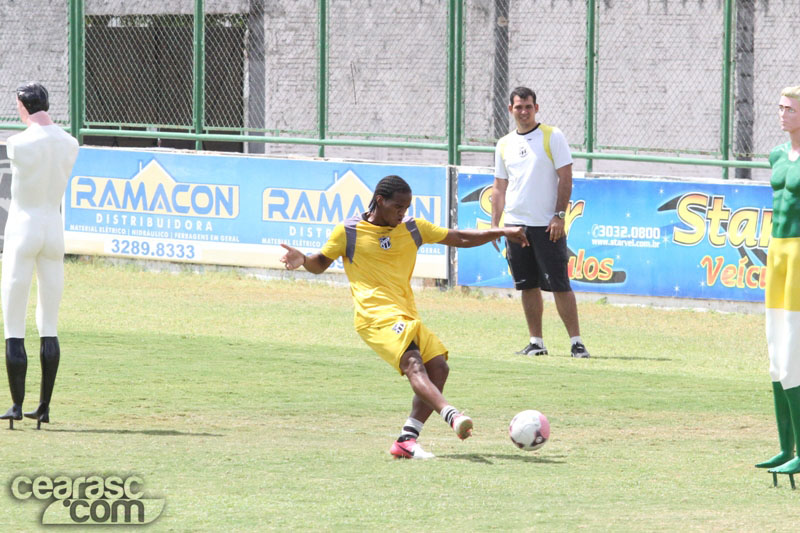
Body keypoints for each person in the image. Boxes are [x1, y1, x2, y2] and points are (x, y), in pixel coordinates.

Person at [280, 175, 529, 459]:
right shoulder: (348, 231)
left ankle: (406, 440)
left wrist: (501, 232)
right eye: (398, 207)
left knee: (439, 368)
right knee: (414, 364)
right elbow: (319, 264)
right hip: (374, 316)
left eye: (407, 207)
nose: (403, 213)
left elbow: (458, 237)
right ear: (379, 201)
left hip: (405, 313)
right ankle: (452, 416)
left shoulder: (413, 229)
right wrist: (303, 260)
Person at [0, 83, 79, 429]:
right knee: (49, 321)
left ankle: (17, 404)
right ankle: (43, 406)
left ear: (23, 106)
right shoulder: (70, 143)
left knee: (14, 320)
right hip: (54, 229)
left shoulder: (17, 143)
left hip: (23, 228)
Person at [491, 86, 590, 359]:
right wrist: (495, 225)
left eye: (528, 107)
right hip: (515, 225)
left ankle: (576, 343)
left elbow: (566, 178)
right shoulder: (504, 144)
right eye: (518, 107)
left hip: (547, 225)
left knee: (559, 284)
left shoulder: (552, 136)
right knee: (527, 285)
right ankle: (536, 342)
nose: (523, 112)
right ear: (510, 109)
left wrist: (559, 215)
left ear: (536, 108)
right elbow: (499, 187)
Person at [756, 85, 800, 475]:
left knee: (794, 354)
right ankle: (785, 448)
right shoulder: (775, 155)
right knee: (775, 356)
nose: (781, 113)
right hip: (777, 252)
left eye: (789, 108)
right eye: (780, 107)